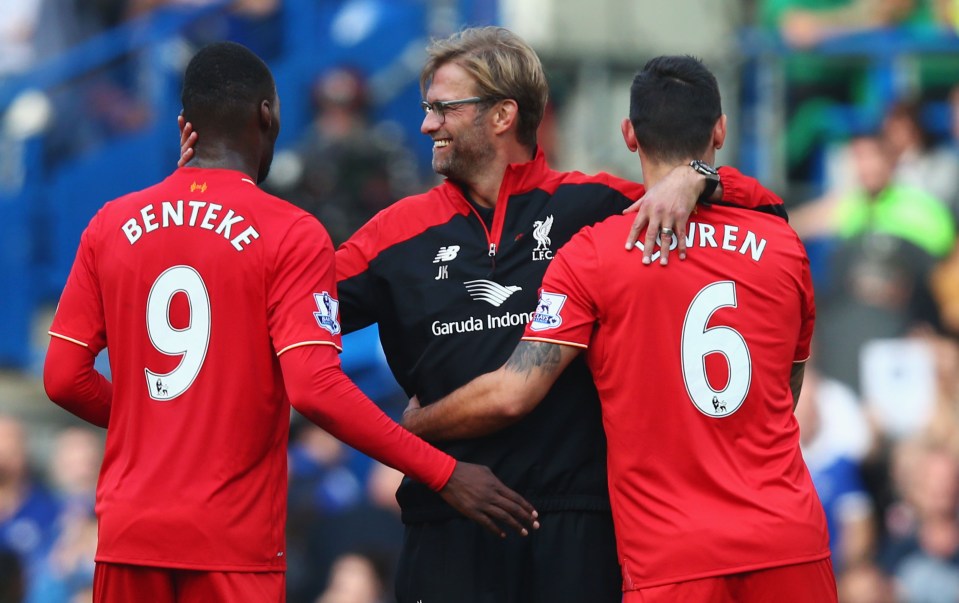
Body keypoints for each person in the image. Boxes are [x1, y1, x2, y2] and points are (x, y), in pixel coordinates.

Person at [179, 27, 787, 603]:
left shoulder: (593, 205)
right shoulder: (393, 234)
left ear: (502, 115)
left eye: (443, 109)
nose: (425, 125)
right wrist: (196, 204)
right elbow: (275, 318)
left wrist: (696, 177)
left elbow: (763, 213)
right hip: (447, 523)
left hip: (577, 530)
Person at [42, 41, 537, 603]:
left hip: (128, 533)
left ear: (185, 126)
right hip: (230, 538)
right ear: (267, 115)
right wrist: (444, 472)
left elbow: (62, 377)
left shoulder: (111, 223)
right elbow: (315, 386)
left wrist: (158, 427)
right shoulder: (290, 231)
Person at [402, 55, 836, 602]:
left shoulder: (595, 253)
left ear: (629, 135)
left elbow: (513, 393)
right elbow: (785, 390)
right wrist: (703, 178)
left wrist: (414, 426)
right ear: (720, 130)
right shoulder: (783, 246)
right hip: (787, 540)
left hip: (671, 556)